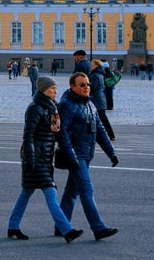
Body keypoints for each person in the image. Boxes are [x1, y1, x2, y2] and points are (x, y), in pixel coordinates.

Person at [5, 76, 81, 243]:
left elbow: (55, 134)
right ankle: (67, 230)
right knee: (51, 192)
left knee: (26, 192)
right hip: (36, 158)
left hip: (45, 157)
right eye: (51, 88)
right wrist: (30, 159)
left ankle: (13, 226)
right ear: (42, 90)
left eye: (55, 88)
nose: (55, 91)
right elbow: (28, 135)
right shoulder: (35, 108)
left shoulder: (51, 108)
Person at [57, 72, 119, 242]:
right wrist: (71, 156)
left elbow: (99, 130)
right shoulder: (66, 105)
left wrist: (111, 152)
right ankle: (98, 228)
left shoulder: (90, 104)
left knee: (71, 191)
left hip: (87, 153)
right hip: (76, 156)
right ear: (73, 87)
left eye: (88, 84)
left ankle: (60, 226)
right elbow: (62, 135)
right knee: (87, 190)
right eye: (82, 85)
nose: (86, 87)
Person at [88, 60, 115, 141]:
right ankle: (109, 135)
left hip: (97, 99)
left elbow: (93, 88)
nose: (90, 66)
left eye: (92, 64)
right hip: (100, 98)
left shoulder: (95, 75)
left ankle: (110, 135)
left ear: (96, 65)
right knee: (101, 118)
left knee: (102, 118)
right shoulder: (99, 74)